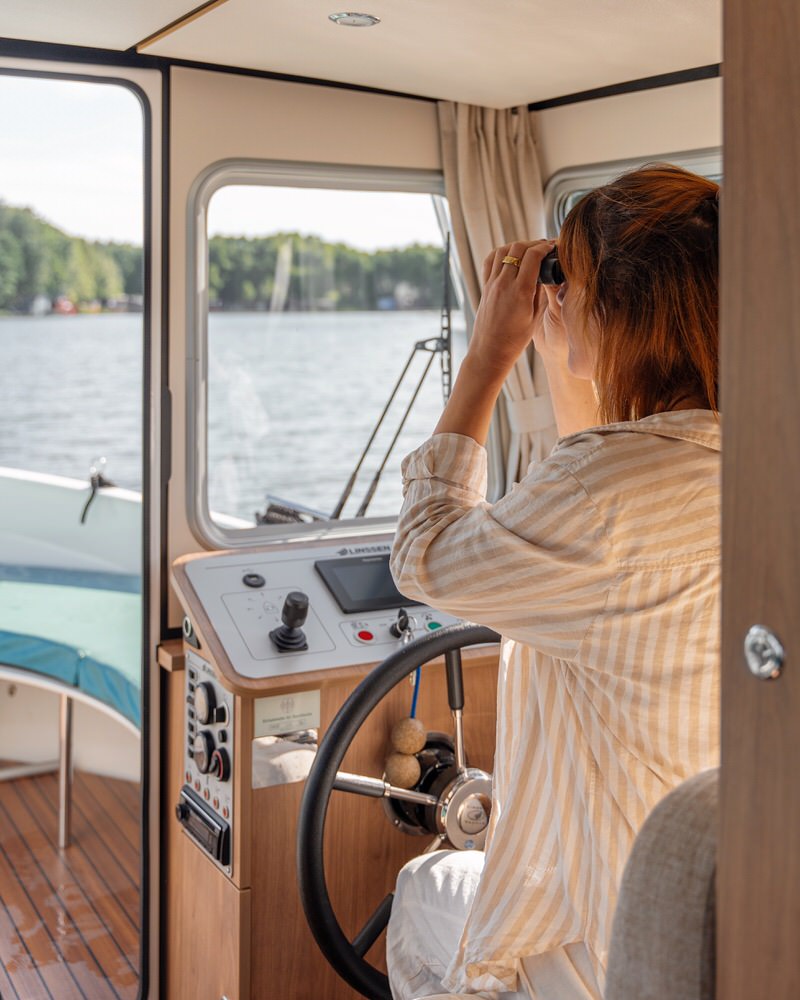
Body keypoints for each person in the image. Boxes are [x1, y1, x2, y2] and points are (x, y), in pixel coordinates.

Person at [387, 164, 720, 1000]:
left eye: (570, 278)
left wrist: (488, 357)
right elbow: (614, 471)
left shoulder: (599, 494)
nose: (554, 294)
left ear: (617, 308)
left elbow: (422, 555)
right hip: (723, 893)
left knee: (422, 888)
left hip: (603, 925)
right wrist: (572, 352)